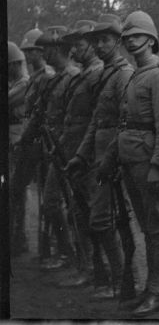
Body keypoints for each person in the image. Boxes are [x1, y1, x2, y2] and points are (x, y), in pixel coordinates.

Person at [99, 10, 159, 317]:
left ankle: (156, 291)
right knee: (147, 227)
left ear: (151, 39)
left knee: (157, 227)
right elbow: (124, 123)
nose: (130, 42)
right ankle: (149, 288)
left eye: (137, 36)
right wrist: (113, 157)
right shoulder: (136, 74)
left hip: (148, 162)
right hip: (131, 160)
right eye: (127, 37)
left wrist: (158, 167)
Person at [65, 14, 135, 299]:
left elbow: (124, 121)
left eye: (105, 40)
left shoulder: (123, 74)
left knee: (109, 221)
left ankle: (123, 283)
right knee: (101, 219)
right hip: (98, 155)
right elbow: (95, 121)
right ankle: (117, 282)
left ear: (118, 42)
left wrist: (112, 159)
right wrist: (81, 156)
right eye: (96, 41)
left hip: (114, 157)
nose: (100, 45)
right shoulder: (106, 74)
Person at [55, 20, 105, 289]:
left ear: (93, 47)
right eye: (73, 47)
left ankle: (105, 275)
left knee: (97, 216)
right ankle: (91, 271)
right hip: (76, 152)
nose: (74, 52)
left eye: (80, 46)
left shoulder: (98, 74)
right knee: (80, 212)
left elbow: (97, 118)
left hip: (90, 155)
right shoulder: (85, 75)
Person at [36, 26, 81, 271]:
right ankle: (68, 253)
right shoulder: (53, 79)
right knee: (54, 202)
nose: (43, 54)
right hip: (54, 147)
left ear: (57, 50)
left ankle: (77, 257)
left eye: (46, 49)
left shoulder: (73, 76)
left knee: (72, 204)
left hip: (70, 148)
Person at [10, 28, 55, 255]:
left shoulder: (47, 76)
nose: (29, 55)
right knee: (18, 188)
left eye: (33, 51)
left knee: (49, 193)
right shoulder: (37, 78)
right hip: (30, 138)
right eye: (27, 51)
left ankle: (54, 245)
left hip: (43, 140)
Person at [8, 41, 29, 177]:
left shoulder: (24, 83)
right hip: (11, 133)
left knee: (15, 180)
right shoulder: (13, 83)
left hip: (17, 134)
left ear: (15, 64)